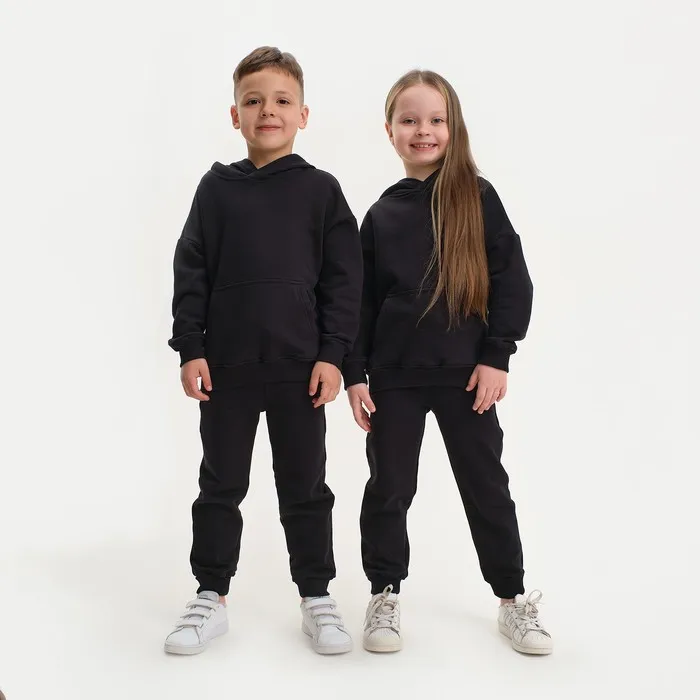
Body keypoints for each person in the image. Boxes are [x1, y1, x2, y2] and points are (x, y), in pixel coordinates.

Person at [343, 70, 552, 655]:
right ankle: (384, 593)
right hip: (393, 380)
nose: (424, 130)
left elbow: (512, 278)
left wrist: (496, 355)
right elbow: (360, 303)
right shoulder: (380, 215)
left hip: (466, 378)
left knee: (486, 485)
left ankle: (512, 598)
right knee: (389, 487)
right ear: (389, 130)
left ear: (453, 127)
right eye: (409, 120)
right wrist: (355, 373)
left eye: (436, 119)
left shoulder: (477, 198)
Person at [165, 46, 362, 656]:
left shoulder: (322, 191)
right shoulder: (215, 190)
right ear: (235, 115)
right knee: (220, 484)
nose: (267, 111)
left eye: (281, 101)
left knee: (305, 487)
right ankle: (210, 595)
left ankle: (316, 596)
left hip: (301, 371)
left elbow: (344, 281)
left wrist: (333, 354)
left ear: (303, 114)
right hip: (226, 369)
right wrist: (190, 348)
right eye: (253, 101)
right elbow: (191, 270)